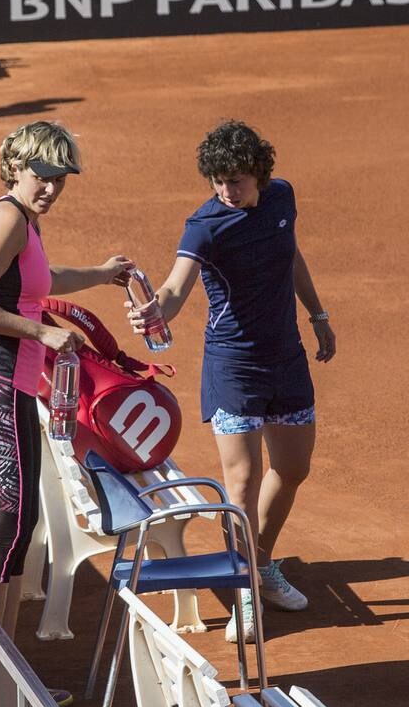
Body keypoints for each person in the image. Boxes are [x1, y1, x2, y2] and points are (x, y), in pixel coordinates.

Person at [128, 120, 336, 643]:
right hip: (233, 365)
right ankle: (244, 586)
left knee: (292, 468)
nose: (226, 191)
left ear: (260, 174)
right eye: (218, 181)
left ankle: (259, 564)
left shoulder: (282, 196)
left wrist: (317, 314)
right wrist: (158, 311)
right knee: (241, 482)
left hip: (286, 359)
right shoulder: (205, 225)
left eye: (236, 180)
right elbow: (177, 286)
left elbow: (290, 255)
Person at [0, 121, 131, 703]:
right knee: (5, 529)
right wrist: (41, 335)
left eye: (60, 179)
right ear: (17, 168)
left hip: (8, 389)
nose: (51, 187)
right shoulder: (6, 218)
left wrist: (100, 275)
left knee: (18, 527)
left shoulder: (25, 221)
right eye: (42, 176)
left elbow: (39, 282)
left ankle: (4, 674)